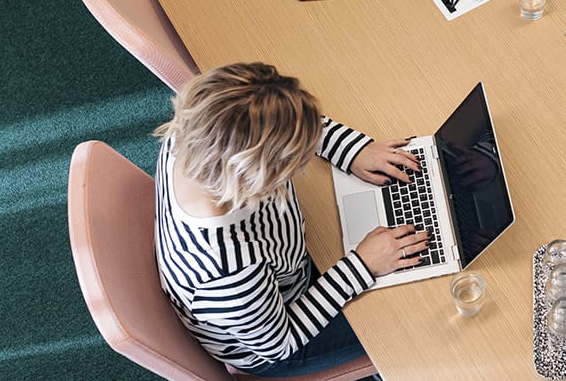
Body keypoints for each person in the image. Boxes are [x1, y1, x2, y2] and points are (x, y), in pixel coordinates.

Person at [154, 62, 429, 376]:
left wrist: (352, 150)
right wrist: (362, 266)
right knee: (413, 311)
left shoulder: (193, 132)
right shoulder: (228, 273)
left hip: (282, 273)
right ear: (257, 176)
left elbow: (266, 122)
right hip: (283, 338)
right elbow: (281, 342)